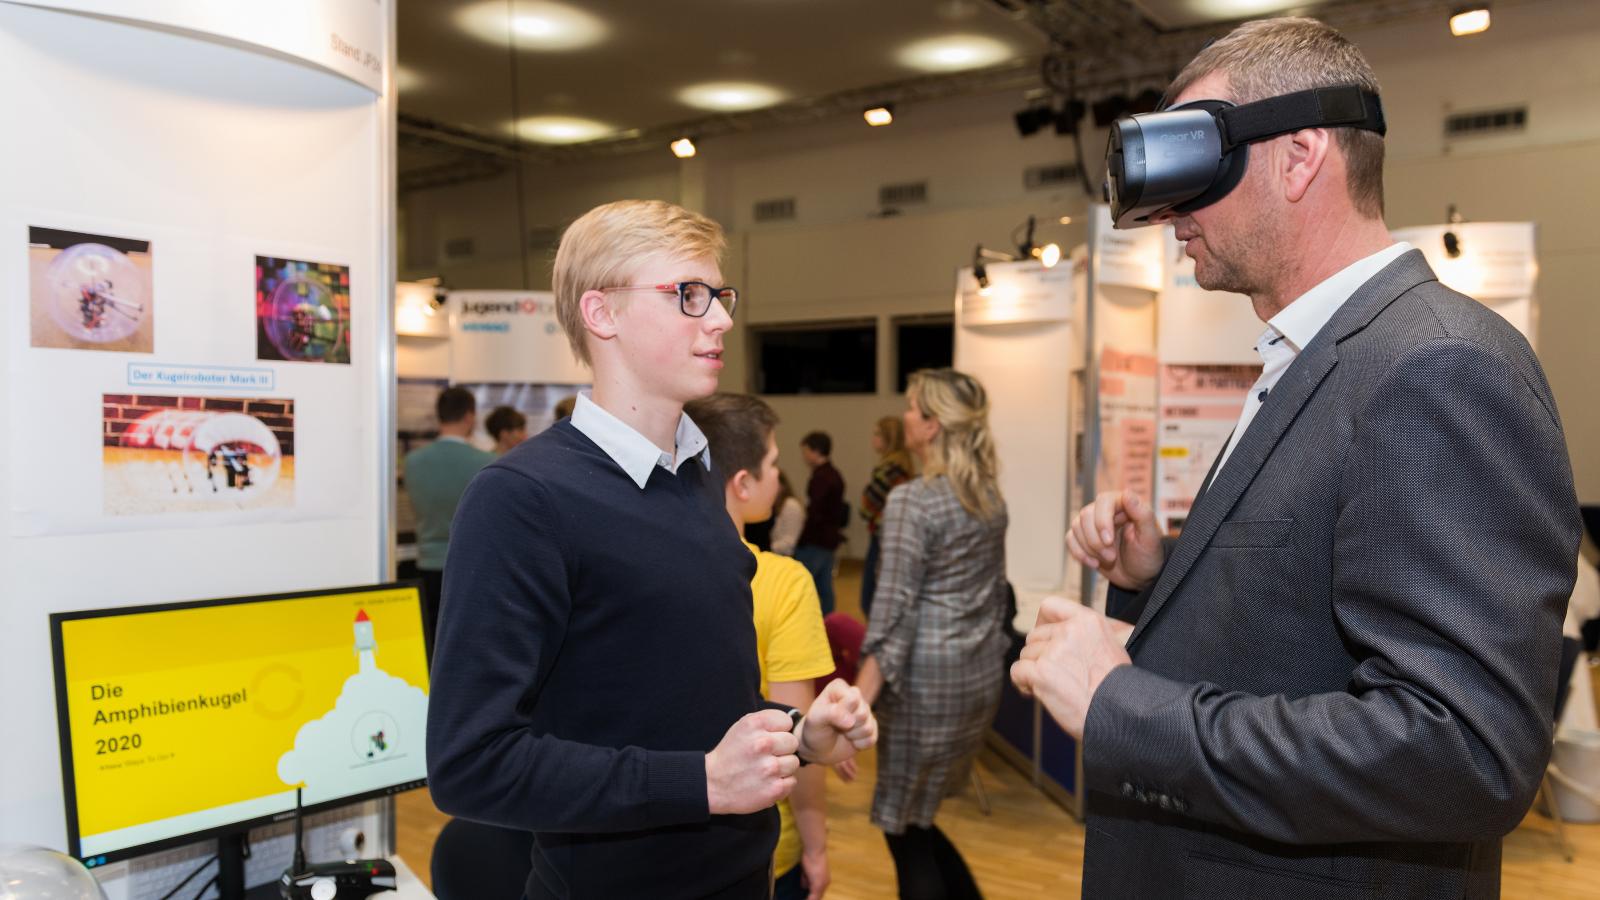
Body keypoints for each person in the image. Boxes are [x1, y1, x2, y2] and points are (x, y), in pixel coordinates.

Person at [1009, 18, 1580, 899]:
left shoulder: (1437, 366)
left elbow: (1462, 751)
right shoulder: (1316, 357)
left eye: (1193, 166)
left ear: (1300, 155)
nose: (1166, 217)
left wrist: (1124, 708)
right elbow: (1309, 634)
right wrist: (1160, 583)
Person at [425, 199, 876, 900]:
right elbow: (470, 764)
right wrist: (699, 783)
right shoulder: (522, 499)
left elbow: (685, 703)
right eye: (688, 296)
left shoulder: (695, 478)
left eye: (719, 295)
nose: (721, 318)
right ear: (601, 314)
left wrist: (798, 735)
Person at [856, 368, 1009, 900]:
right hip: (975, 682)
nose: (904, 416)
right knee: (916, 821)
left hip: (923, 688)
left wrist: (855, 709)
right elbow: (996, 599)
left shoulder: (912, 503)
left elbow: (892, 616)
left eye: (913, 407)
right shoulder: (988, 497)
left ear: (934, 425)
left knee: (901, 827)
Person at [686, 392, 837, 900]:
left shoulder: (642, 572)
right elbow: (798, 738)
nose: (779, 475)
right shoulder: (784, 581)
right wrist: (815, 846)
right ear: (743, 482)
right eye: (773, 463)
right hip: (761, 849)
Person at [401, 385, 494, 662]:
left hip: (427, 566)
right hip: (471, 568)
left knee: (430, 646)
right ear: (470, 416)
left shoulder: (413, 462)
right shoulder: (486, 462)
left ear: (439, 415)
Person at [858, 416, 914, 620]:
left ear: (888, 439)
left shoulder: (888, 470)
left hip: (882, 537)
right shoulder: (905, 466)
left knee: (870, 599)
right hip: (893, 535)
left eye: (877, 434)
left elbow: (866, 507)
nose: (873, 439)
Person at [794, 431, 845, 615]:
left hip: (816, 540)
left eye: (806, 451)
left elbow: (815, 513)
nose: (804, 456)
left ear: (816, 451)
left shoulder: (822, 478)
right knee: (824, 588)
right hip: (829, 539)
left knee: (802, 584)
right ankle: (828, 625)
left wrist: (801, 540)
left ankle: (807, 621)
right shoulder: (834, 474)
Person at [769, 470, 805, 556]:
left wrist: (766, 550)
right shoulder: (777, 505)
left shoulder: (791, 505)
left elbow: (789, 542)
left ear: (782, 486)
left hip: (785, 557)